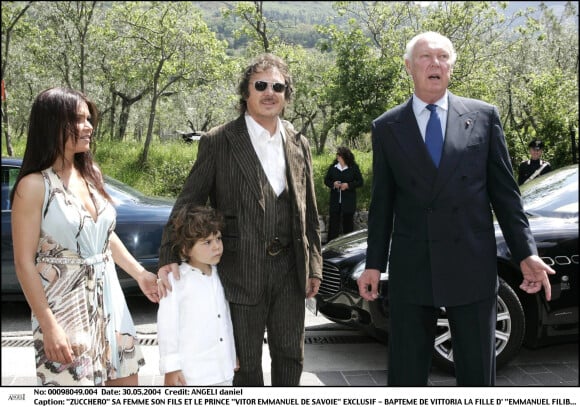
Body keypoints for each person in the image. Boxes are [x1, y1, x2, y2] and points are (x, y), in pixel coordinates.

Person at [356, 32, 556, 386]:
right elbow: (383, 203)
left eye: (442, 57)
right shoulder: (386, 127)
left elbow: (506, 196)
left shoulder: (483, 117)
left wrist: (526, 253)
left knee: (478, 375)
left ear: (452, 66)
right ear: (408, 66)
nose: (435, 63)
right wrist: (373, 263)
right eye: (425, 57)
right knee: (405, 375)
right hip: (412, 268)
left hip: (472, 265)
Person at [157, 53, 323, 386]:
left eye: (278, 86)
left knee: (291, 357)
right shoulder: (219, 141)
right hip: (239, 270)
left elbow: (309, 212)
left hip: (291, 272)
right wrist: (167, 259)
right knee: (244, 365)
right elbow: (187, 201)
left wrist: (314, 266)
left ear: (286, 95)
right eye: (260, 85)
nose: (269, 92)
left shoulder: (298, 143)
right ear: (246, 93)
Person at [10, 87, 160, 386]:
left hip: (111, 300)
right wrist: (48, 325)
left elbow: (104, 236)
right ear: (52, 123)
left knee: (128, 386)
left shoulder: (91, 172)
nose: (89, 126)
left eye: (89, 118)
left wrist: (140, 274)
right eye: (78, 119)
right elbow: (24, 263)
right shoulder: (34, 185)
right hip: (64, 307)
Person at [157, 204, 237, 386]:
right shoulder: (175, 281)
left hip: (223, 372)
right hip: (192, 376)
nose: (216, 246)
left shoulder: (220, 274)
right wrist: (171, 367)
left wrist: (231, 356)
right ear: (185, 249)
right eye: (207, 242)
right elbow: (167, 328)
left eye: (218, 238)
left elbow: (226, 321)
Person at [323, 146, 364, 242]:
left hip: (348, 202)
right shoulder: (333, 167)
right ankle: (330, 249)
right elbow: (326, 180)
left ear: (345, 157)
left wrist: (348, 185)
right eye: (337, 155)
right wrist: (333, 184)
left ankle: (348, 249)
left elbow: (360, 182)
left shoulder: (353, 168)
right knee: (333, 227)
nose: (337, 156)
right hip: (335, 202)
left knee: (348, 227)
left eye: (339, 155)